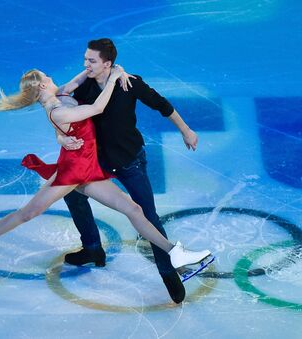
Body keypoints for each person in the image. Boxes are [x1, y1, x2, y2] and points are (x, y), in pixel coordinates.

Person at [0, 66, 213, 280]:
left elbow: (75, 82)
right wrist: (113, 78)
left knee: (133, 210)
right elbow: (97, 108)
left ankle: (173, 252)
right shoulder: (59, 109)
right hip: (74, 171)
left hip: (88, 167)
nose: (53, 78)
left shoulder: (58, 99)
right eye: (47, 77)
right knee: (29, 212)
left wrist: (96, 72)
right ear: (43, 86)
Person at [58, 38, 199, 304]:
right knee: (73, 195)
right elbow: (61, 98)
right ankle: (92, 249)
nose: (85, 64)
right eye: (85, 59)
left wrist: (186, 130)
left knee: (148, 215)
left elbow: (162, 105)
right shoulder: (85, 87)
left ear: (107, 63)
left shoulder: (129, 83)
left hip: (129, 159)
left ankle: (168, 271)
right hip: (96, 161)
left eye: (91, 61)